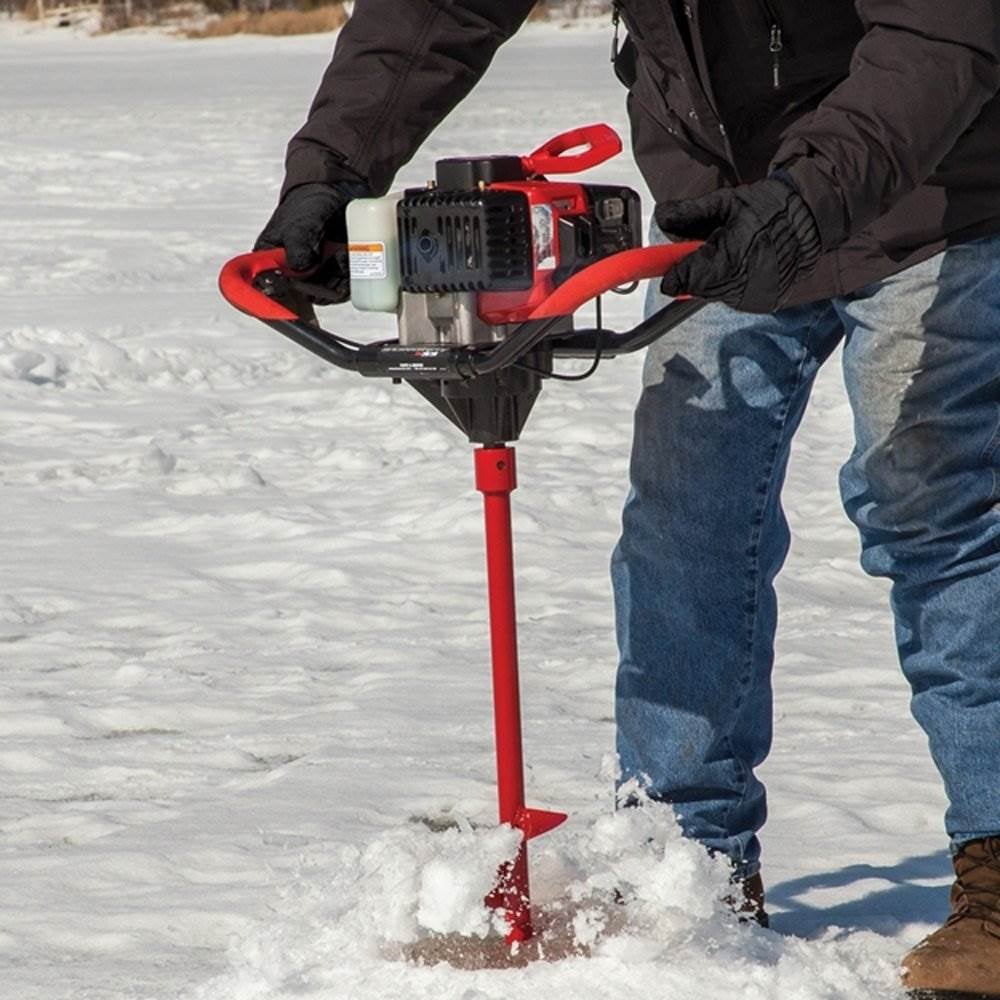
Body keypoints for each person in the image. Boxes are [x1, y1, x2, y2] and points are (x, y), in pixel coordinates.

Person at [255, 2, 1000, 994]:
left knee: (932, 505)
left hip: (935, 191)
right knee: (683, 519)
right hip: (728, 217)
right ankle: (683, 867)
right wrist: (328, 175)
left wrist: (808, 197)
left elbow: (945, 30)